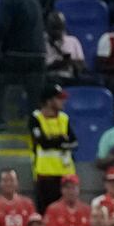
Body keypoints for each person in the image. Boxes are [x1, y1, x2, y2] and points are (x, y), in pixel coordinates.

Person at [0, 0, 46, 128]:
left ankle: (0, 120)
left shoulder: (8, 1)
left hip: (15, 53)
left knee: (1, 85)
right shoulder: (34, 1)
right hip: (39, 54)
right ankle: (35, 125)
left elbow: (3, 26)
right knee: (35, 94)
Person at [29, 84, 77, 212]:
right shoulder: (36, 118)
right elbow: (43, 143)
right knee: (46, 211)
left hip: (66, 174)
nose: (63, 101)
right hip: (45, 174)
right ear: (49, 101)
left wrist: (54, 141)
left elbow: (74, 143)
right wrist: (61, 139)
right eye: (59, 98)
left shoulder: (64, 118)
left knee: (67, 211)